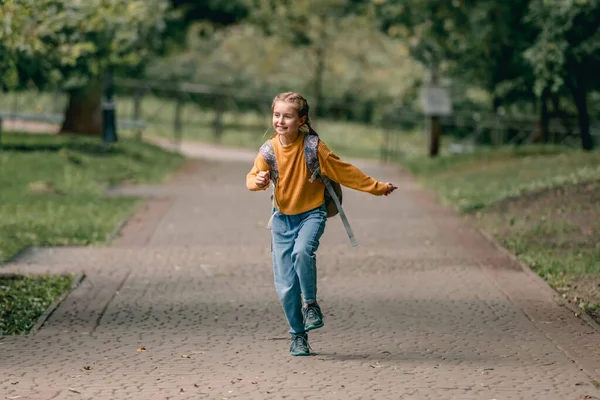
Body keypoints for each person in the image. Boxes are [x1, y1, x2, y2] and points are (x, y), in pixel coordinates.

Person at [246, 92, 397, 356]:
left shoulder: (313, 147)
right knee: (284, 287)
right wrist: (257, 182)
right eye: (276, 115)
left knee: (302, 252)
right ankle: (298, 336)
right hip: (282, 220)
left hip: (312, 215)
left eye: (287, 116)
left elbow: (345, 171)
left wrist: (377, 187)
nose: (280, 121)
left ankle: (311, 304)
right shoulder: (269, 150)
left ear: (301, 120)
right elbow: (251, 177)